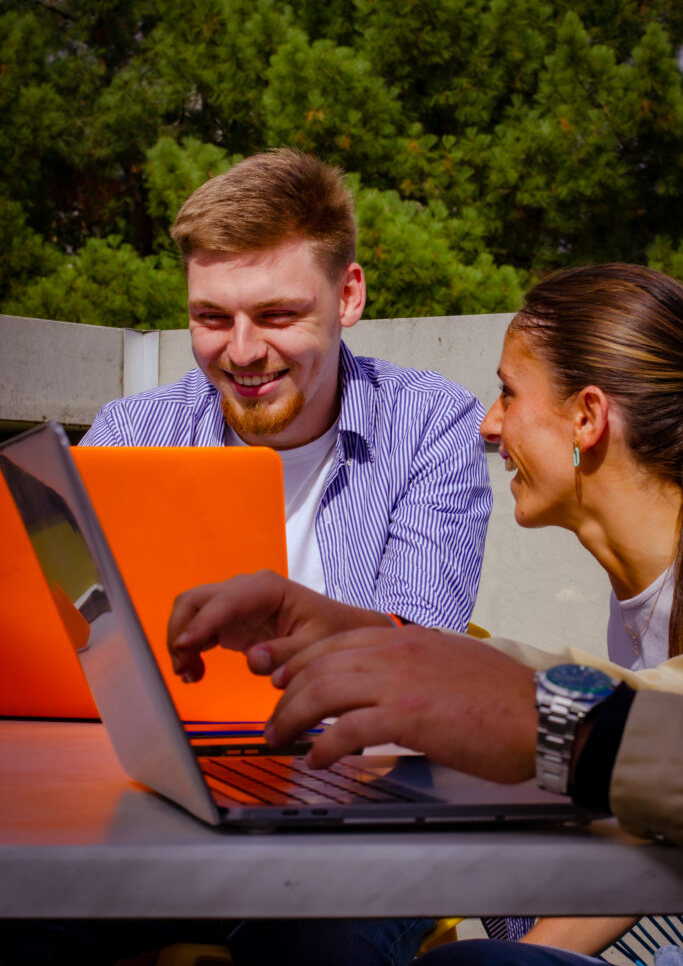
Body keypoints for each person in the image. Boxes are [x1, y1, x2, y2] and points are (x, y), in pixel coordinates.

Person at [167, 263, 683, 959]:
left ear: (586, 418)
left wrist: (531, 714)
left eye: (506, 393)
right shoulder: (636, 595)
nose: (488, 422)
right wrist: (376, 637)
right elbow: (652, 783)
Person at [81, 147, 493, 964]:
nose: (239, 352)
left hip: (362, 802)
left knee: (312, 940)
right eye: (210, 318)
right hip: (158, 794)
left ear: (349, 296)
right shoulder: (129, 430)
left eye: (275, 316)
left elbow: (419, 659)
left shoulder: (432, 427)